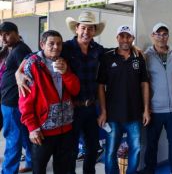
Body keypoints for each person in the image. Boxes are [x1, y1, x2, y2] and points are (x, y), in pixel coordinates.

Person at [16, 11, 106, 174]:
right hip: (73, 109)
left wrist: (134, 48)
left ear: (94, 31)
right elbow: (36, 55)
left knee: (93, 149)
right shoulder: (65, 47)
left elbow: (115, 53)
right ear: (77, 28)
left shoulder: (98, 50)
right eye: (83, 27)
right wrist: (19, 72)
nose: (86, 32)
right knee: (69, 153)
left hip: (90, 107)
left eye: (90, 28)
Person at [18, 30, 80, 174]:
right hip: (42, 131)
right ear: (42, 44)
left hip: (66, 128)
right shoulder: (32, 65)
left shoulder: (63, 62)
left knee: (62, 168)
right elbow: (24, 100)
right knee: (39, 169)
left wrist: (66, 74)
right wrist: (32, 127)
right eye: (51, 43)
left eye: (59, 44)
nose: (56, 47)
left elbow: (75, 90)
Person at [97, 25, 150, 174]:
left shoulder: (139, 58)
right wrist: (103, 111)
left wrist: (146, 110)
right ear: (117, 38)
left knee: (136, 149)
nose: (125, 39)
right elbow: (100, 85)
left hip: (135, 114)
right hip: (113, 115)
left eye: (128, 36)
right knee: (110, 151)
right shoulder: (107, 57)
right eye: (122, 36)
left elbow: (145, 83)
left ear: (133, 38)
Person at [143, 22, 172, 174]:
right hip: (154, 110)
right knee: (151, 144)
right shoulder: (145, 56)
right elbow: (142, 83)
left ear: (168, 36)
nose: (161, 37)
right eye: (158, 34)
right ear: (153, 36)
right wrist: (144, 108)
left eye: (164, 34)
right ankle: (149, 170)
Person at [0, 22, 33, 174]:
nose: (3, 38)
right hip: (10, 101)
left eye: (6, 34)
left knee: (13, 138)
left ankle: (8, 171)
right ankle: (32, 162)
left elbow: (29, 75)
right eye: (1, 35)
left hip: (13, 102)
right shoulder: (10, 49)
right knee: (24, 135)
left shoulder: (20, 50)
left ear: (16, 32)